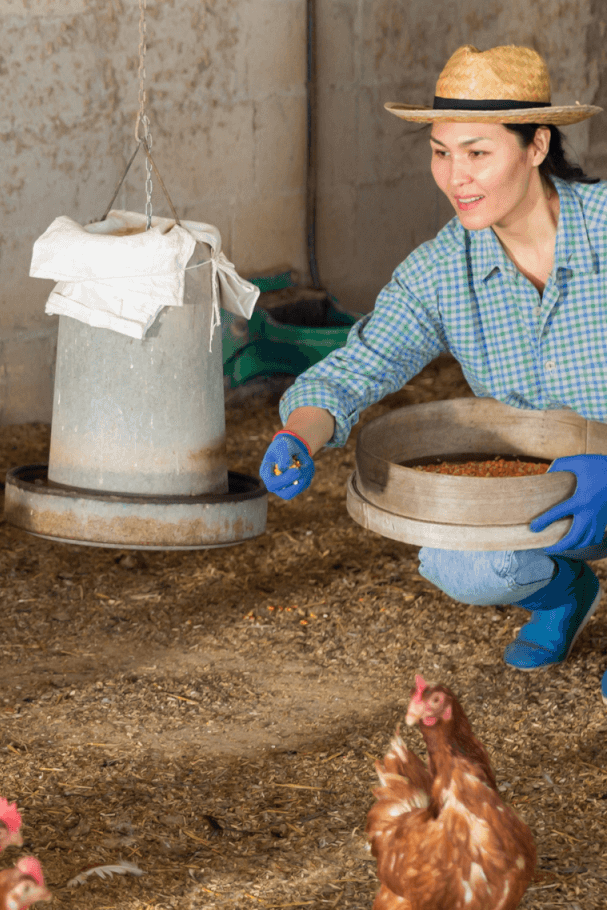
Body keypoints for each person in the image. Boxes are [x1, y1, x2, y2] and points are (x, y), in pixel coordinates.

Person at [260, 45, 607, 690]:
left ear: (536, 146)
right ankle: (564, 592)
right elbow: (359, 364)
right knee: (464, 564)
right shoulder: (442, 272)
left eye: (478, 153)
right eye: (441, 153)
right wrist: (298, 432)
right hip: (543, 489)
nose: (455, 177)